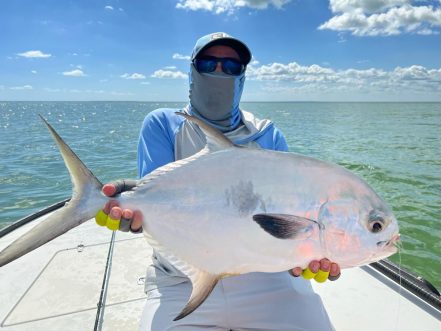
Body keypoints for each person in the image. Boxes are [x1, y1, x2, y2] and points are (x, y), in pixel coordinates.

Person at [96, 32, 340, 330]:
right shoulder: (163, 123)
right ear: (192, 69)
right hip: (181, 279)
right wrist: (135, 210)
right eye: (209, 63)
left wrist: (307, 254)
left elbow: (289, 218)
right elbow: (157, 197)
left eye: (231, 66)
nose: (220, 71)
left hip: (266, 278)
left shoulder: (267, 133)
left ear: (243, 76)